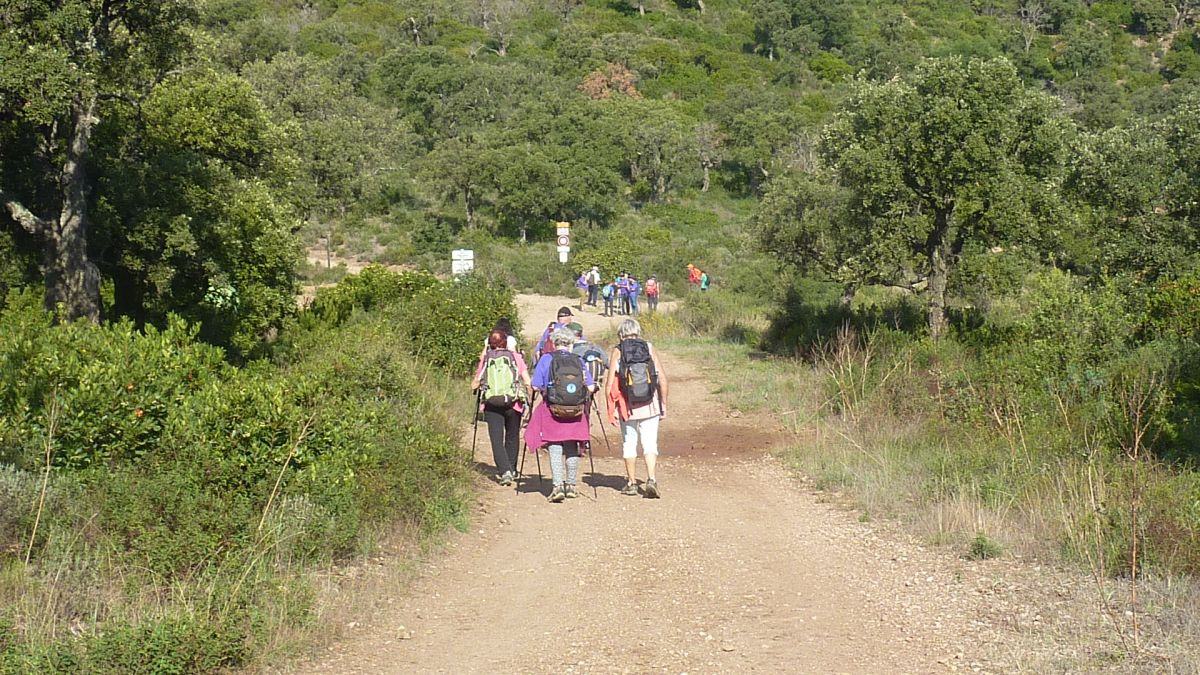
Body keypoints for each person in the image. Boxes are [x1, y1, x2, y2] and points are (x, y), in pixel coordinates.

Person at [526, 327, 597, 502]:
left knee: (555, 446)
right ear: (571, 343)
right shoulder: (578, 361)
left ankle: (557, 486)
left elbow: (535, 385)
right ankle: (571, 486)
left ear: (554, 343)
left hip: (553, 409)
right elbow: (590, 386)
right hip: (575, 411)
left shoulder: (546, 359)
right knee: (572, 446)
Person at [607, 318, 668, 498]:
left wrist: (611, 411)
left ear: (620, 334)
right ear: (638, 332)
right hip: (650, 404)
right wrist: (663, 404)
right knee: (650, 443)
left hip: (627, 406)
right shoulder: (648, 347)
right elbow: (662, 379)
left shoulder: (618, 351)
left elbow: (609, 385)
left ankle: (632, 483)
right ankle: (651, 479)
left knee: (629, 443)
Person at [471, 330, 533, 485]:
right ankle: (511, 468)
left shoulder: (486, 359)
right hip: (514, 403)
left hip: (492, 404)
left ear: (489, 344)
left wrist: (476, 387)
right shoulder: (515, 357)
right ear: (506, 342)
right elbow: (527, 380)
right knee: (512, 436)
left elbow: (475, 383)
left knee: (496, 439)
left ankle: (504, 471)